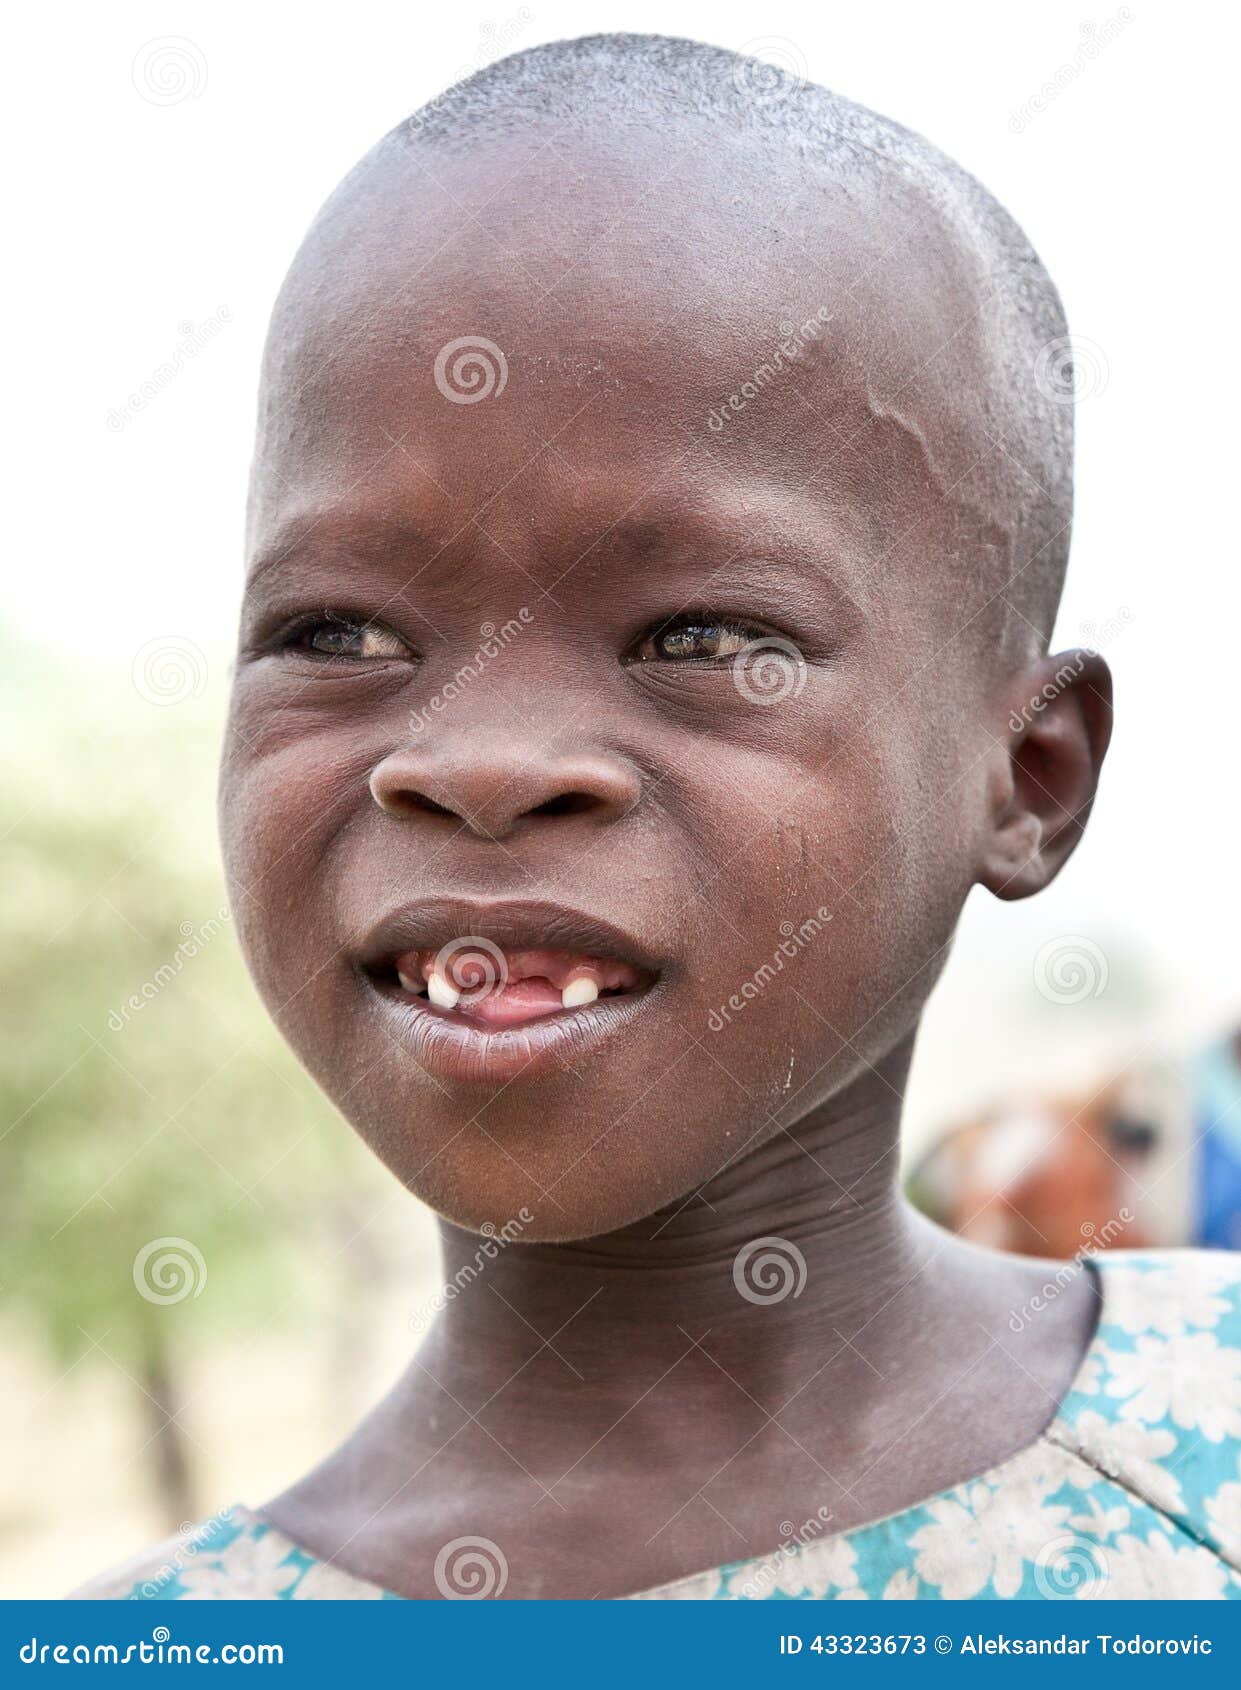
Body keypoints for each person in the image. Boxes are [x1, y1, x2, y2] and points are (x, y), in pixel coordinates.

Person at [77, 33, 1241, 1600]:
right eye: (338, 632)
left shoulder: (1201, 1456)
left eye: (701, 640)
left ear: (1028, 778)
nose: (476, 764)